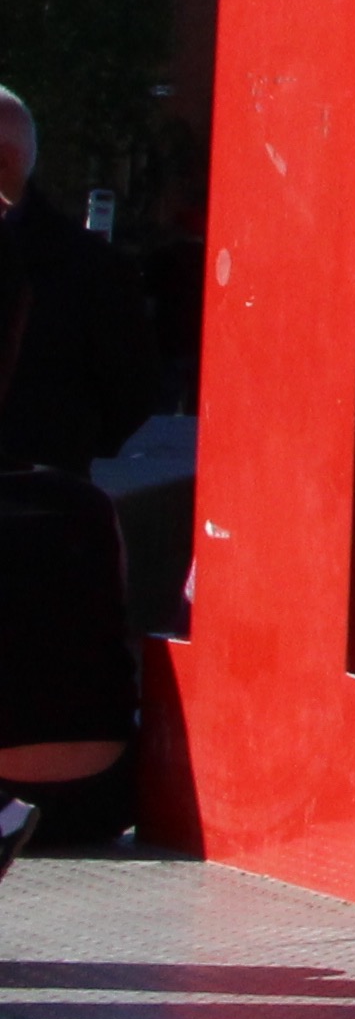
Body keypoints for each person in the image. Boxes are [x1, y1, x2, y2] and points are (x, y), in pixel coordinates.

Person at [0, 86, 154, 871]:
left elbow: (128, 382)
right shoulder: (81, 263)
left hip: (44, 481)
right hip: (57, 485)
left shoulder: (78, 267)